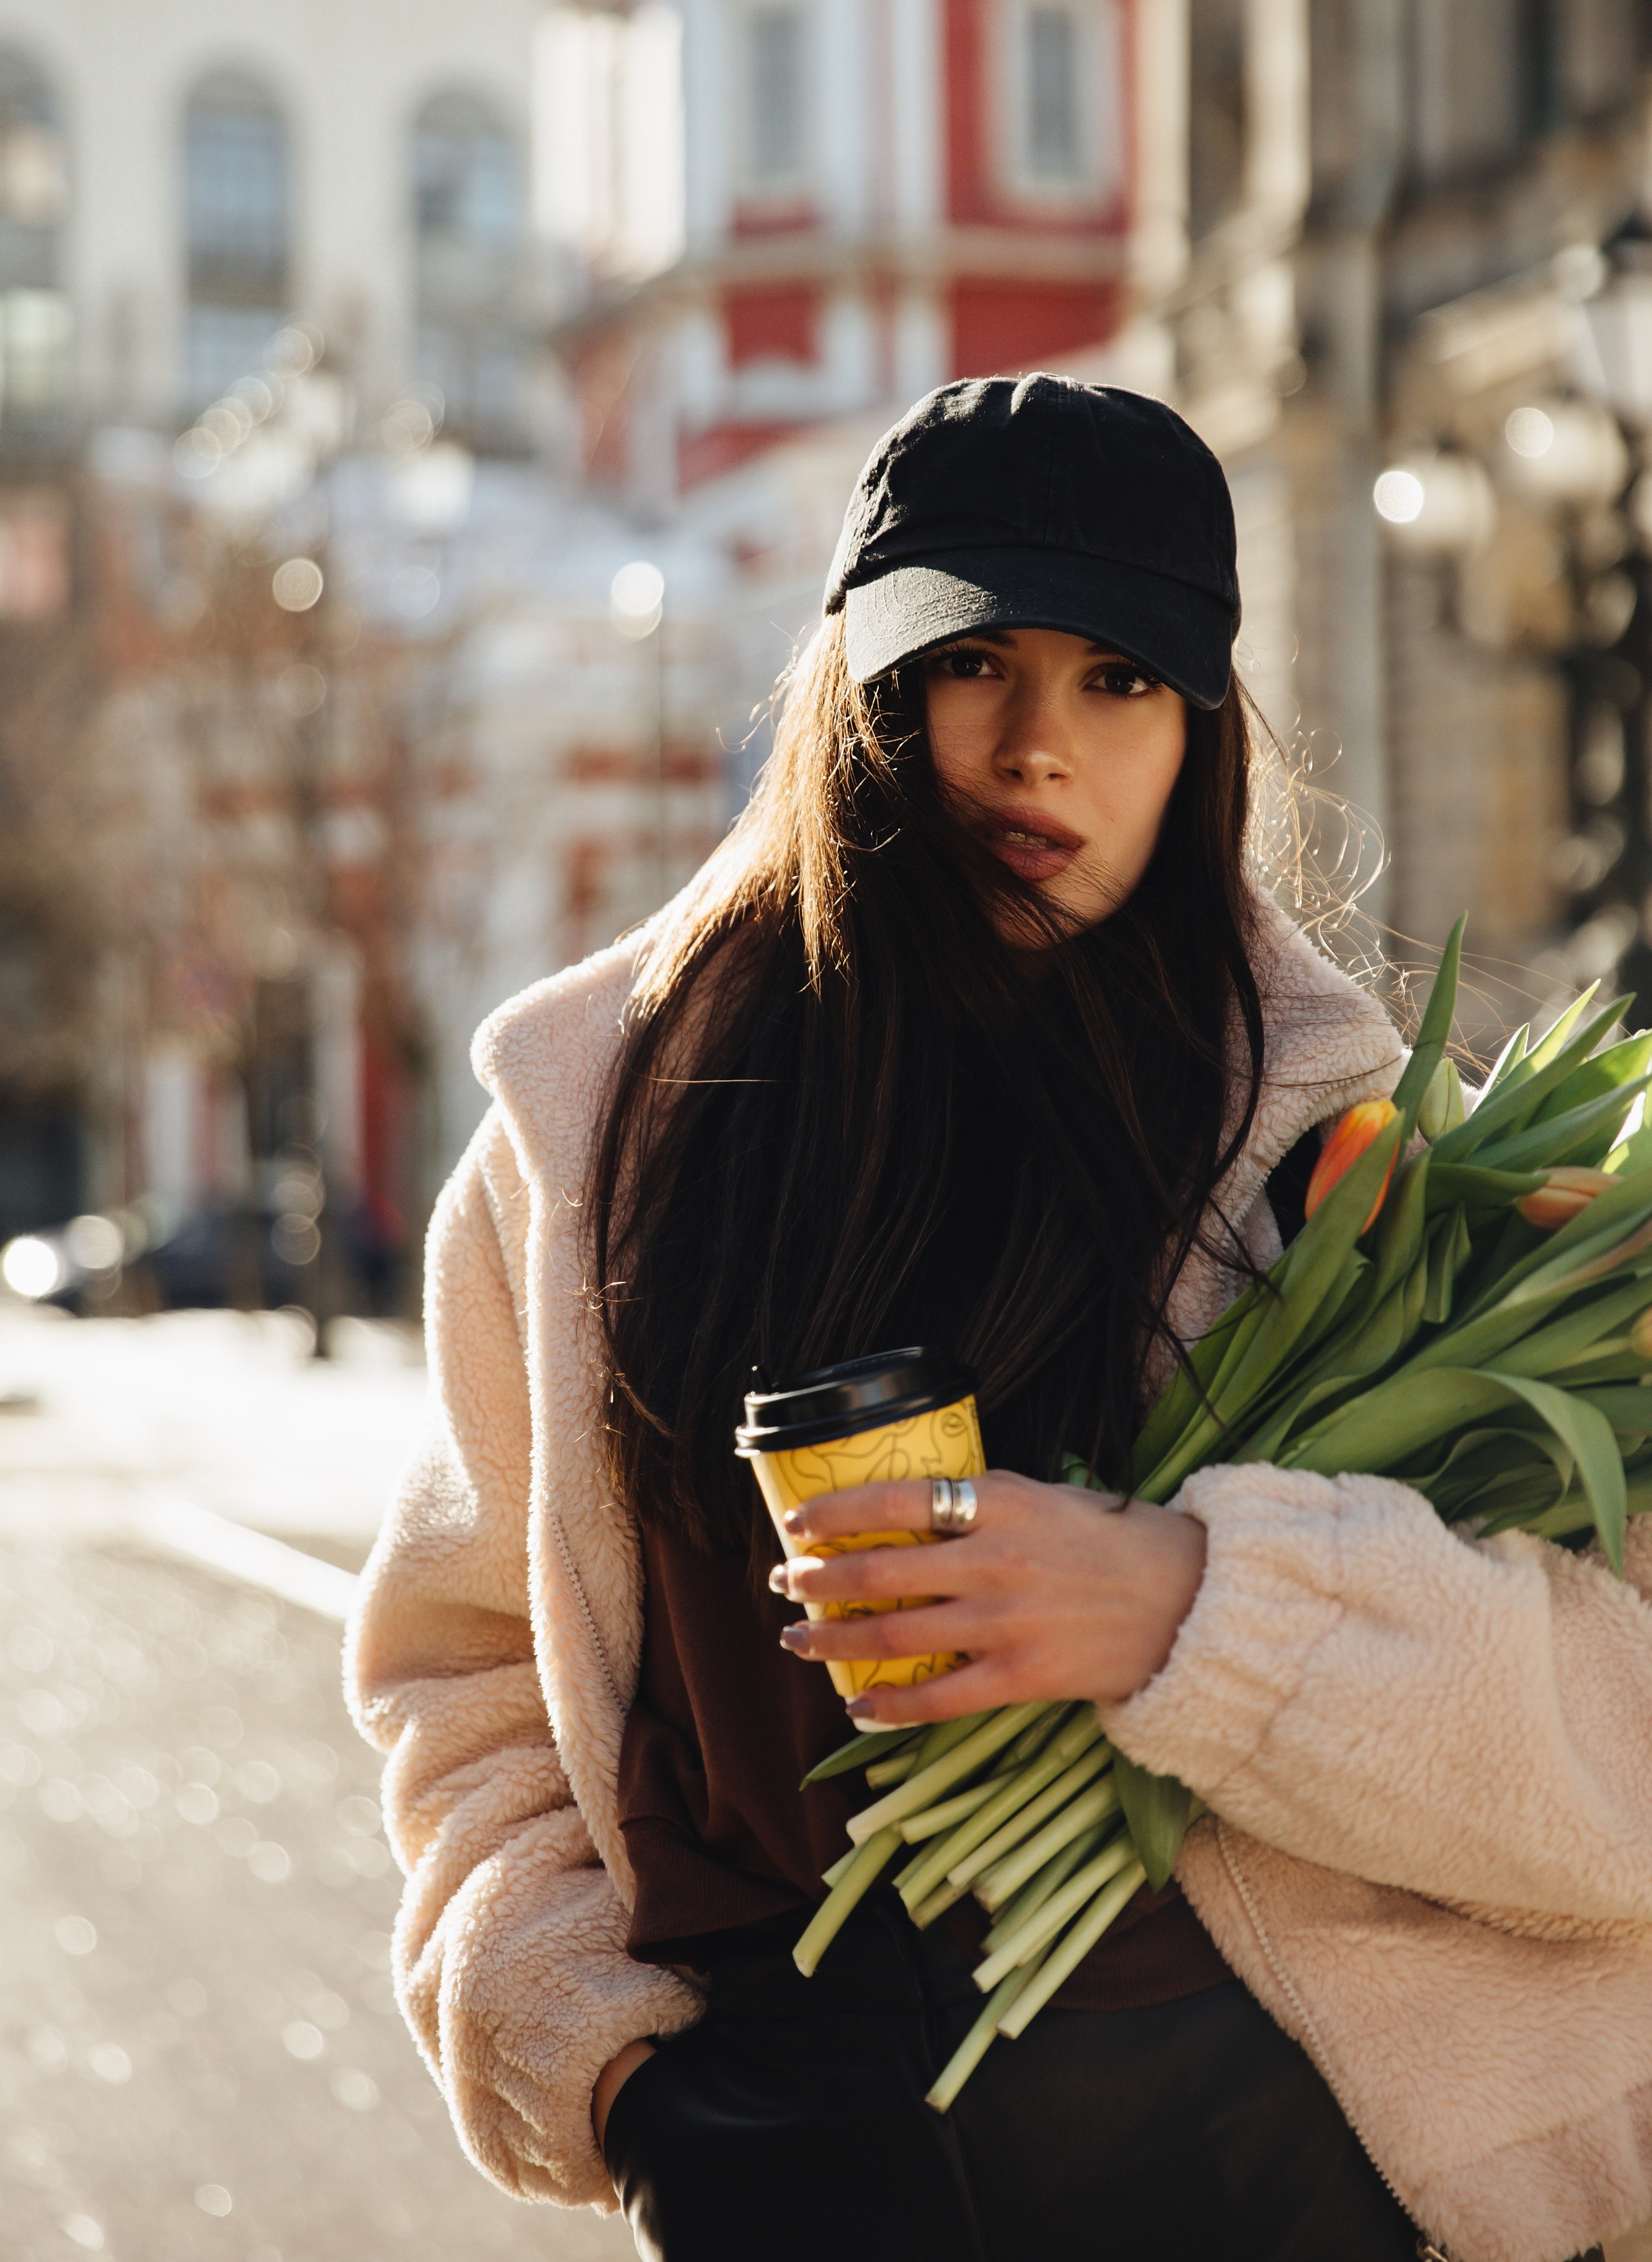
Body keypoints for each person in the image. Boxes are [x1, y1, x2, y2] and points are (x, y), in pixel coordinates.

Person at [348, 376, 1651, 2262]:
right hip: (808, 2172)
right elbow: (467, 1688)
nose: (1040, 749)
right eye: (973, 662)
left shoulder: (1360, 1166)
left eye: (1119, 679)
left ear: (1203, 726)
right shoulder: (592, 1147)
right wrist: (624, 2086)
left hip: (1301, 2171)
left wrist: (1192, 1607)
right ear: (860, 686)